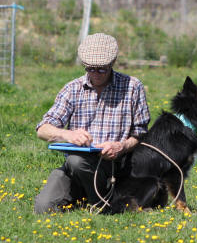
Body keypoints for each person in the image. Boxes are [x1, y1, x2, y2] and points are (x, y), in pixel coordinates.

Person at [34, 33, 151, 213]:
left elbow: (141, 133)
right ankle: (93, 196)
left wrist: (121, 145)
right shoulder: (73, 89)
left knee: (76, 161)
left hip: (113, 167)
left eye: (102, 70)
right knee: (44, 208)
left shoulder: (132, 87)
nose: (95, 74)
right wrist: (68, 134)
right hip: (74, 167)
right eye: (90, 69)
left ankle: (102, 203)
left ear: (112, 64)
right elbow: (43, 129)